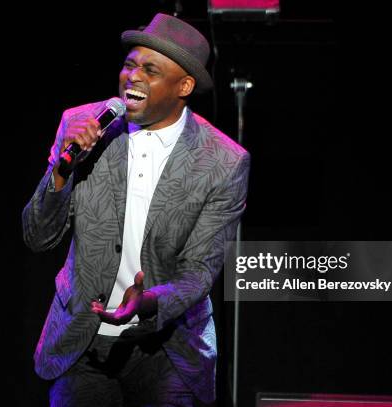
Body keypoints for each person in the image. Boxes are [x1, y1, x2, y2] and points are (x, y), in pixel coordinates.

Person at [23, 13, 250, 406]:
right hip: (82, 341)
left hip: (169, 350)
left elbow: (200, 271)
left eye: (150, 69)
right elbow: (37, 236)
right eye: (129, 65)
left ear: (184, 86)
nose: (133, 77)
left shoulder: (223, 162)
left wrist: (148, 302)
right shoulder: (82, 125)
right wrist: (62, 172)